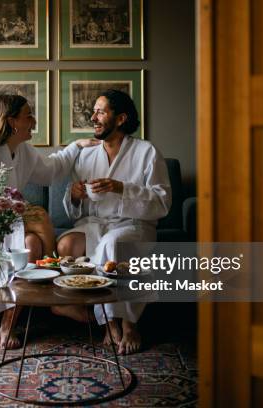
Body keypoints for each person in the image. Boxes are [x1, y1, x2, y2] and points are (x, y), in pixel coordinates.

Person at [0, 94, 99, 350]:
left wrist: (76, 147)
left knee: (31, 246)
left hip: (4, 215)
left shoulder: (21, 150)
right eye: (28, 115)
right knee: (39, 216)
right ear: (12, 121)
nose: (33, 121)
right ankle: (59, 297)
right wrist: (21, 212)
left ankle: (8, 326)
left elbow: (49, 171)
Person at [55, 89, 172, 355]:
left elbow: (162, 202)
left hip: (133, 223)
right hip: (96, 222)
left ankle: (128, 323)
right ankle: (105, 319)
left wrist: (121, 188)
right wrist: (74, 196)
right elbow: (78, 208)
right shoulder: (86, 155)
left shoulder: (147, 152)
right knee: (66, 245)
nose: (93, 117)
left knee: (114, 243)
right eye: (93, 111)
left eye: (100, 111)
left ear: (120, 119)